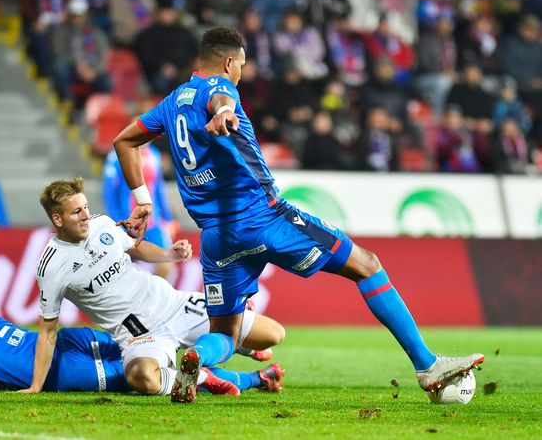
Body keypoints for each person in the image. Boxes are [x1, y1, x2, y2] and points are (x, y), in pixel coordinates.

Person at [112, 25, 484, 403]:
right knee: (367, 265)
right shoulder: (219, 88)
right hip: (266, 218)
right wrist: (225, 111)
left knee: (225, 332)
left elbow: (123, 140)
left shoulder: (171, 103)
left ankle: (198, 357)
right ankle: (426, 366)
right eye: (240, 66)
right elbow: (222, 97)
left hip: (216, 238)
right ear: (228, 62)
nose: (240, 73)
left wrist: (143, 201)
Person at [21, 177, 285, 399]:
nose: (86, 216)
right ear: (57, 218)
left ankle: (238, 346)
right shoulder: (52, 266)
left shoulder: (102, 224)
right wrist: (36, 386)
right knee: (141, 377)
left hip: (171, 304)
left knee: (274, 334)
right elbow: (47, 330)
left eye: (86, 207)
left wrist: (169, 254)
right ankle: (205, 375)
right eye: (76, 211)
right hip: (137, 333)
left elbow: (135, 247)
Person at [0, 292, 280, 394]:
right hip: (70, 341)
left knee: (148, 376)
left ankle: (221, 377)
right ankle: (253, 363)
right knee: (152, 343)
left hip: (59, 370)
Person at [102, 144, 177, 278]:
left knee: (166, 263)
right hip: (127, 221)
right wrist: (116, 221)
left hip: (153, 222)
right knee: (121, 269)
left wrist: (168, 218)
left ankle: (155, 297)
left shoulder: (154, 154)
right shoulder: (117, 154)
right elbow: (109, 193)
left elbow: (159, 189)